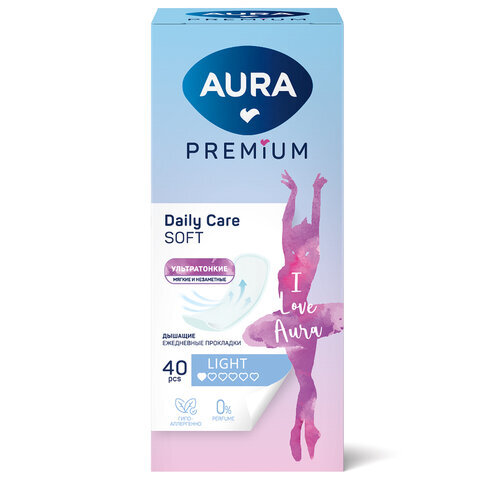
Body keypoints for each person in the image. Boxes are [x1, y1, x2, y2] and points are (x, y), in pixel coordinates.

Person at [243, 171, 343, 461]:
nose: (300, 225)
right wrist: (314, 190)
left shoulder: (290, 254)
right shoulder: (311, 256)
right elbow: (311, 221)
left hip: (288, 323)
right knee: (306, 380)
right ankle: (303, 425)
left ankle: (301, 426)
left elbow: (288, 221)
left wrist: (297, 192)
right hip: (306, 321)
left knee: (305, 379)